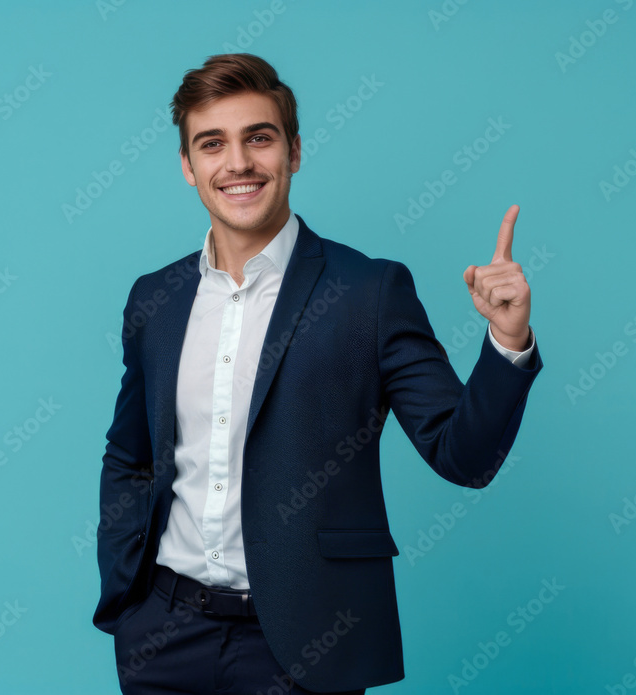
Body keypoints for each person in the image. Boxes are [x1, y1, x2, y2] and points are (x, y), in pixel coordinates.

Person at [93, 52, 543, 694]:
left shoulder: (369, 293)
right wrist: (128, 597)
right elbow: (129, 455)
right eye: (212, 144)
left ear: (294, 151)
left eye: (259, 138)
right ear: (188, 166)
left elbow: (463, 457)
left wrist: (506, 339)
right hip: (164, 637)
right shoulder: (155, 300)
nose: (238, 162)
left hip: (309, 645)